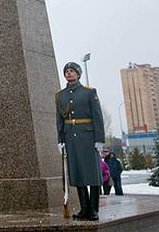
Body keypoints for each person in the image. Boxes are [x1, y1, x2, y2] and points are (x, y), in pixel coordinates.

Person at [55, 62, 105, 221]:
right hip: (71, 139)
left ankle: (94, 209)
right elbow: (60, 120)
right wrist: (60, 140)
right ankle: (84, 209)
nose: (69, 74)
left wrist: (99, 139)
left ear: (78, 74)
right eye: (66, 71)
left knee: (93, 175)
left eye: (72, 71)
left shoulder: (89, 93)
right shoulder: (60, 95)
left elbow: (97, 117)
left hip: (88, 138)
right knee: (78, 174)